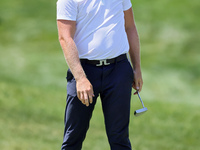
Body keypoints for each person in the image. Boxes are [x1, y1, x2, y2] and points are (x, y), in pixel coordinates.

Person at [56, 0, 143, 149]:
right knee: (73, 138)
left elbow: (130, 27)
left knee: (120, 139)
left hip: (119, 70)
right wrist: (80, 78)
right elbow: (65, 38)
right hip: (84, 71)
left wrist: (137, 68)